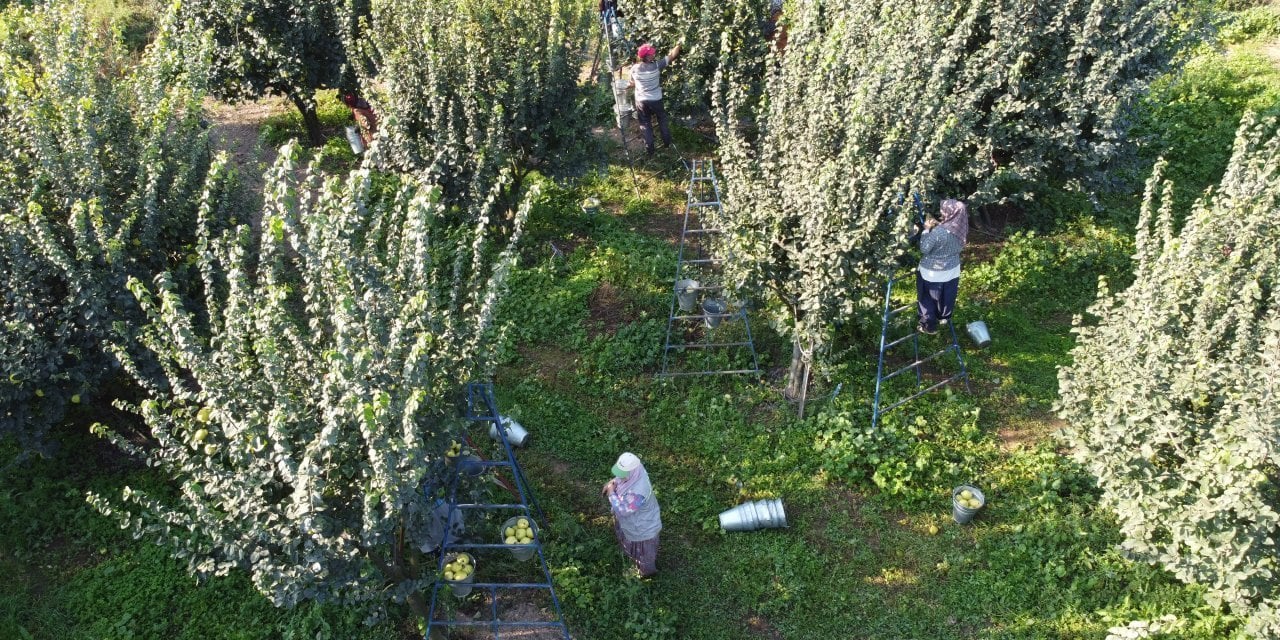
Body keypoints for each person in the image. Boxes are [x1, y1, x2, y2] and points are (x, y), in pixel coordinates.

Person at [602, 452, 661, 576]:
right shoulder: (636, 472)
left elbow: (623, 511)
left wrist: (611, 493)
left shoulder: (639, 492)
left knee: (644, 556)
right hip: (633, 523)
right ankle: (634, 561)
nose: (619, 476)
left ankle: (646, 574)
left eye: (622, 474)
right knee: (631, 545)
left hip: (643, 529)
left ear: (632, 472)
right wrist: (612, 483)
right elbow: (621, 478)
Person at [916, 199, 968, 335]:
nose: (941, 212)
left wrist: (926, 230)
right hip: (952, 270)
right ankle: (943, 317)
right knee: (946, 296)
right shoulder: (961, 227)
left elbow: (924, 249)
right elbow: (950, 236)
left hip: (933, 271)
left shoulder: (938, 233)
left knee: (927, 298)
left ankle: (929, 326)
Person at [628, 42, 681, 156]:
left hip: (642, 101)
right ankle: (667, 144)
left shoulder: (634, 69)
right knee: (662, 120)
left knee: (645, 124)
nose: (654, 54)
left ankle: (650, 150)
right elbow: (672, 55)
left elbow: (632, 83)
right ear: (646, 56)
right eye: (651, 54)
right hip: (656, 100)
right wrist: (678, 44)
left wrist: (629, 85)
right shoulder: (657, 65)